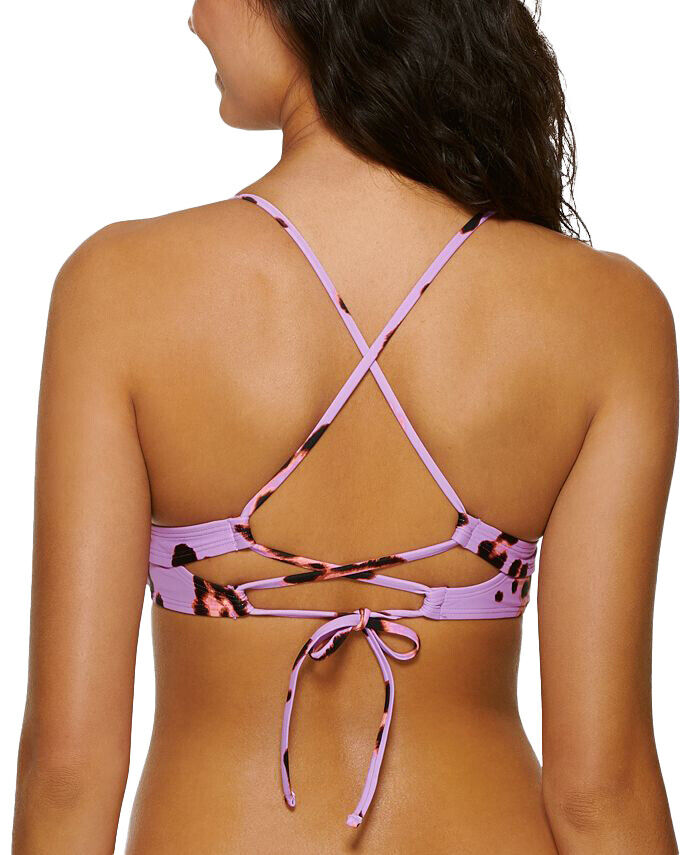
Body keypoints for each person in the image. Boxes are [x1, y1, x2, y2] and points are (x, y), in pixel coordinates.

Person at [12, 1, 679, 853]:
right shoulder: (609, 315)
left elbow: (69, 772)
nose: (193, 17)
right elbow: (600, 792)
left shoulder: (118, 288)